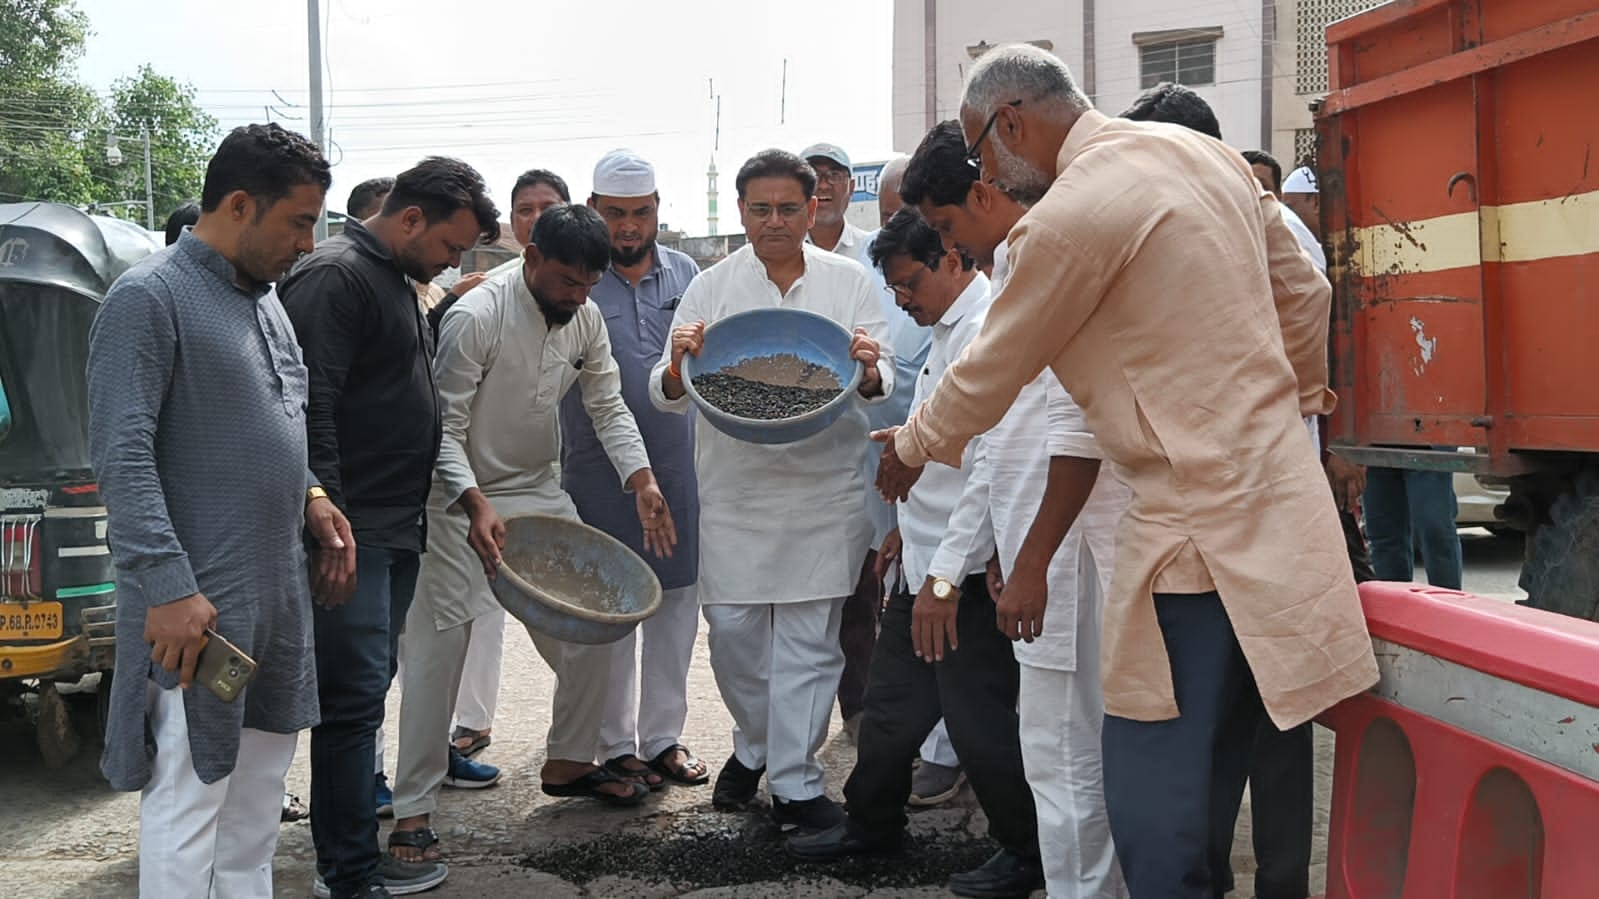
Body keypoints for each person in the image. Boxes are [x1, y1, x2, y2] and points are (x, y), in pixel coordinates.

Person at [875, 44, 1378, 896]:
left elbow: (992, 367)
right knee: (1242, 764)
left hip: (1188, 543)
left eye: (980, 149)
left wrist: (912, 445)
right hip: (1281, 512)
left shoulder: (1064, 218)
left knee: (1153, 811)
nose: (982, 171)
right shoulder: (1202, 154)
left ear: (1011, 124)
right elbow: (1305, 293)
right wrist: (1275, 411)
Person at [87, 122, 355, 899]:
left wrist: (311, 495)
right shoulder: (148, 298)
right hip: (193, 619)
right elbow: (122, 456)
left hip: (273, 601)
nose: (307, 244)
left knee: (255, 813)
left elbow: (276, 422)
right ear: (240, 204)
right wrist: (168, 587)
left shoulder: (267, 303)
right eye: (298, 222)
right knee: (188, 803)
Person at [390, 204, 677, 863]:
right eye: (566, 282)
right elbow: (443, 431)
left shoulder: (585, 315)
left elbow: (606, 402)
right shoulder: (474, 318)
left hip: (538, 489)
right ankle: (412, 809)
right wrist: (472, 500)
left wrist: (642, 480)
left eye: (588, 286)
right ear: (532, 257)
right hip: (455, 498)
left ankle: (571, 762)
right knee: (439, 655)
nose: (577, 297)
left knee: (596, 623)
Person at [900, 117, 1128, 898]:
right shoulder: (1020, 277)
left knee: (1068, 760)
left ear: (984, 192)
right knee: (1058, 754)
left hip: (1066, 552)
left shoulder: (1045, 268)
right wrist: (983, 555)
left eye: (945, 226)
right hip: (1041, 546)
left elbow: (1072, 432)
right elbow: (1000, 447)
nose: (950, 246)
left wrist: (1028, 560)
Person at [788, 208, 1044, 899]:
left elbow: (991, 466)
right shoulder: (944, 329)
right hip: (924, 557)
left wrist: (943, 579)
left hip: (957, 572)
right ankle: (871, 823)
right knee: (891, 704)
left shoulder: (988, 331)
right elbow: (944, 443)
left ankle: (1027, 850)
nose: (901, 299)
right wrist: (905, 525)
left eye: (908, 283)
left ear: (952, 259)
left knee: (976, 719)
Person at [650, 149, 893, 834]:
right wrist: (674, 367)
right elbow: (667, 392)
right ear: (741, 213)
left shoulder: (848, 282)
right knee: (732, 635)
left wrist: (871, 371)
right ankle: (755, 743)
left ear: (813, 210)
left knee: (810, 645)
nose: (775, 221)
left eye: (789, 208)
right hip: (736, 491)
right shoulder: (710, 287)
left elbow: (883, 383)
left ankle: (794, 780)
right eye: (761, 209)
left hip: (824, 490)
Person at [1124, 86, 1329, 899]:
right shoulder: (1258, 213)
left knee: (1211, 718)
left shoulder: (1207, 216)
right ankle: (1266, 882)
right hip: (1277, 494)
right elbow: (1309, 308)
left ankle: (1213, 878)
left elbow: (1305, 304)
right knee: (1271, 712)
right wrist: (1298, 399)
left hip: (1224, 505)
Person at [279, 156, 501, 899]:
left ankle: (352, 858)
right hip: (353, 531)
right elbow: (308, 410)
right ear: (411, 219)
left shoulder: (393, 278)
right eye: (448, 246)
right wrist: (328, 525)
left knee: (364, 695)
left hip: (390, 525)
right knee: (348, 705)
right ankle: (345, 872)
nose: (451, 262)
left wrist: (458, 498)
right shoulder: (337, 276)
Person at [563, 150, 707, 790]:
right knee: (612, 607)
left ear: (657, 212)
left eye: (640, 214)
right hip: (596, 472)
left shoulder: (687, 275)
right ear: (594, 210)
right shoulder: (576, 279)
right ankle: (614, 743)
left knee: (677, 606)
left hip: (680, 468)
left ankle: (663, 740)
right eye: (615, 214)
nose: (627, 227)